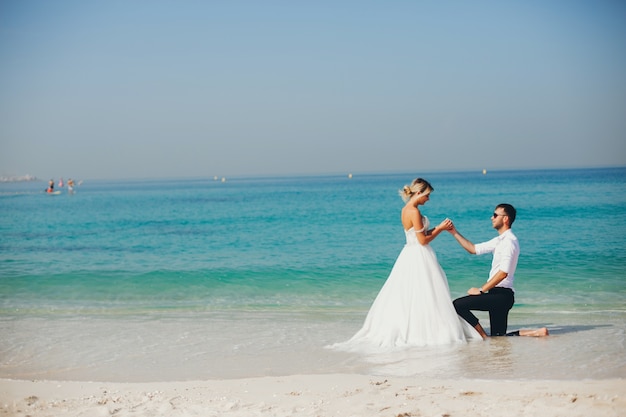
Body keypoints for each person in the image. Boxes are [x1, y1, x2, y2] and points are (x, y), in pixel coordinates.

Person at [333, 178, 482, 351]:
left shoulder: (405, 210)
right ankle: (426, 332)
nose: (428, 199)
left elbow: (419, 234)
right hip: (419, 255)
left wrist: (438, 228)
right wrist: (440, 229)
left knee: (414, 294)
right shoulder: (414, 212)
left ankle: (418, 327)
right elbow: (422, 240)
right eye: (427, 195)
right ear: (419, 193)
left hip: (409, 254)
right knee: (427, 293)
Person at [449, 204, 548, 338]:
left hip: (501, 296)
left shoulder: (509, 242)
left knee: (457, 305)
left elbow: (503, 273)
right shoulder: (500, 240)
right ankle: (537, 333)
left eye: (495, 215)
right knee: (499, 336)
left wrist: (481, 290)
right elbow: (473, 249)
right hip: (499, 295)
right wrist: (454, 231)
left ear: (505, 219)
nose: (492, 218)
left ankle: (483, 336)